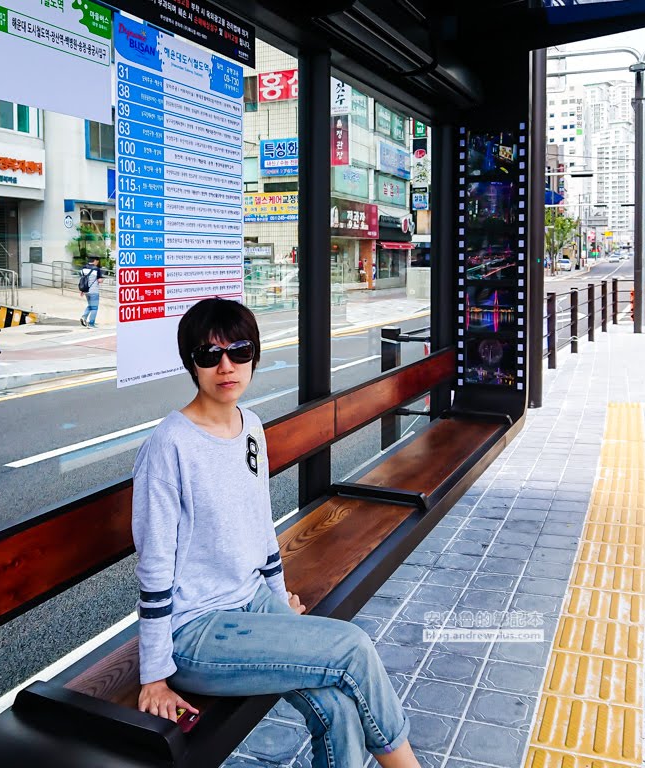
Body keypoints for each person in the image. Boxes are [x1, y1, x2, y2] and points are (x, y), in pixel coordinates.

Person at [132, 298, 423, 768]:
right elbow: (155, 567)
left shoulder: (250, 427)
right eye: (210, 356)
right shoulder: (169, 448)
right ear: (192, 364)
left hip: (251, 600)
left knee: (338, 707)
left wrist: (276, 596)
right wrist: (154, 674)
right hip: (197, 631)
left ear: (255, 356)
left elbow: (257, 521)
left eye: (239, 351)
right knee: (352, 648)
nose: (226, 366)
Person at [79, 256, 102, 328]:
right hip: (94, 291)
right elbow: (99, 280)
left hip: (86, 291)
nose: (97, 263)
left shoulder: (83, 268)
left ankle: (84, 317)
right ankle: (91, 323)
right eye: (97, 261)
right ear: (95, 260)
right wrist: (101, 280)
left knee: (90, 305)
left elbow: (82, 279)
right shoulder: (96, 269)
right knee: (94, 308)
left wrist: (82, 290)